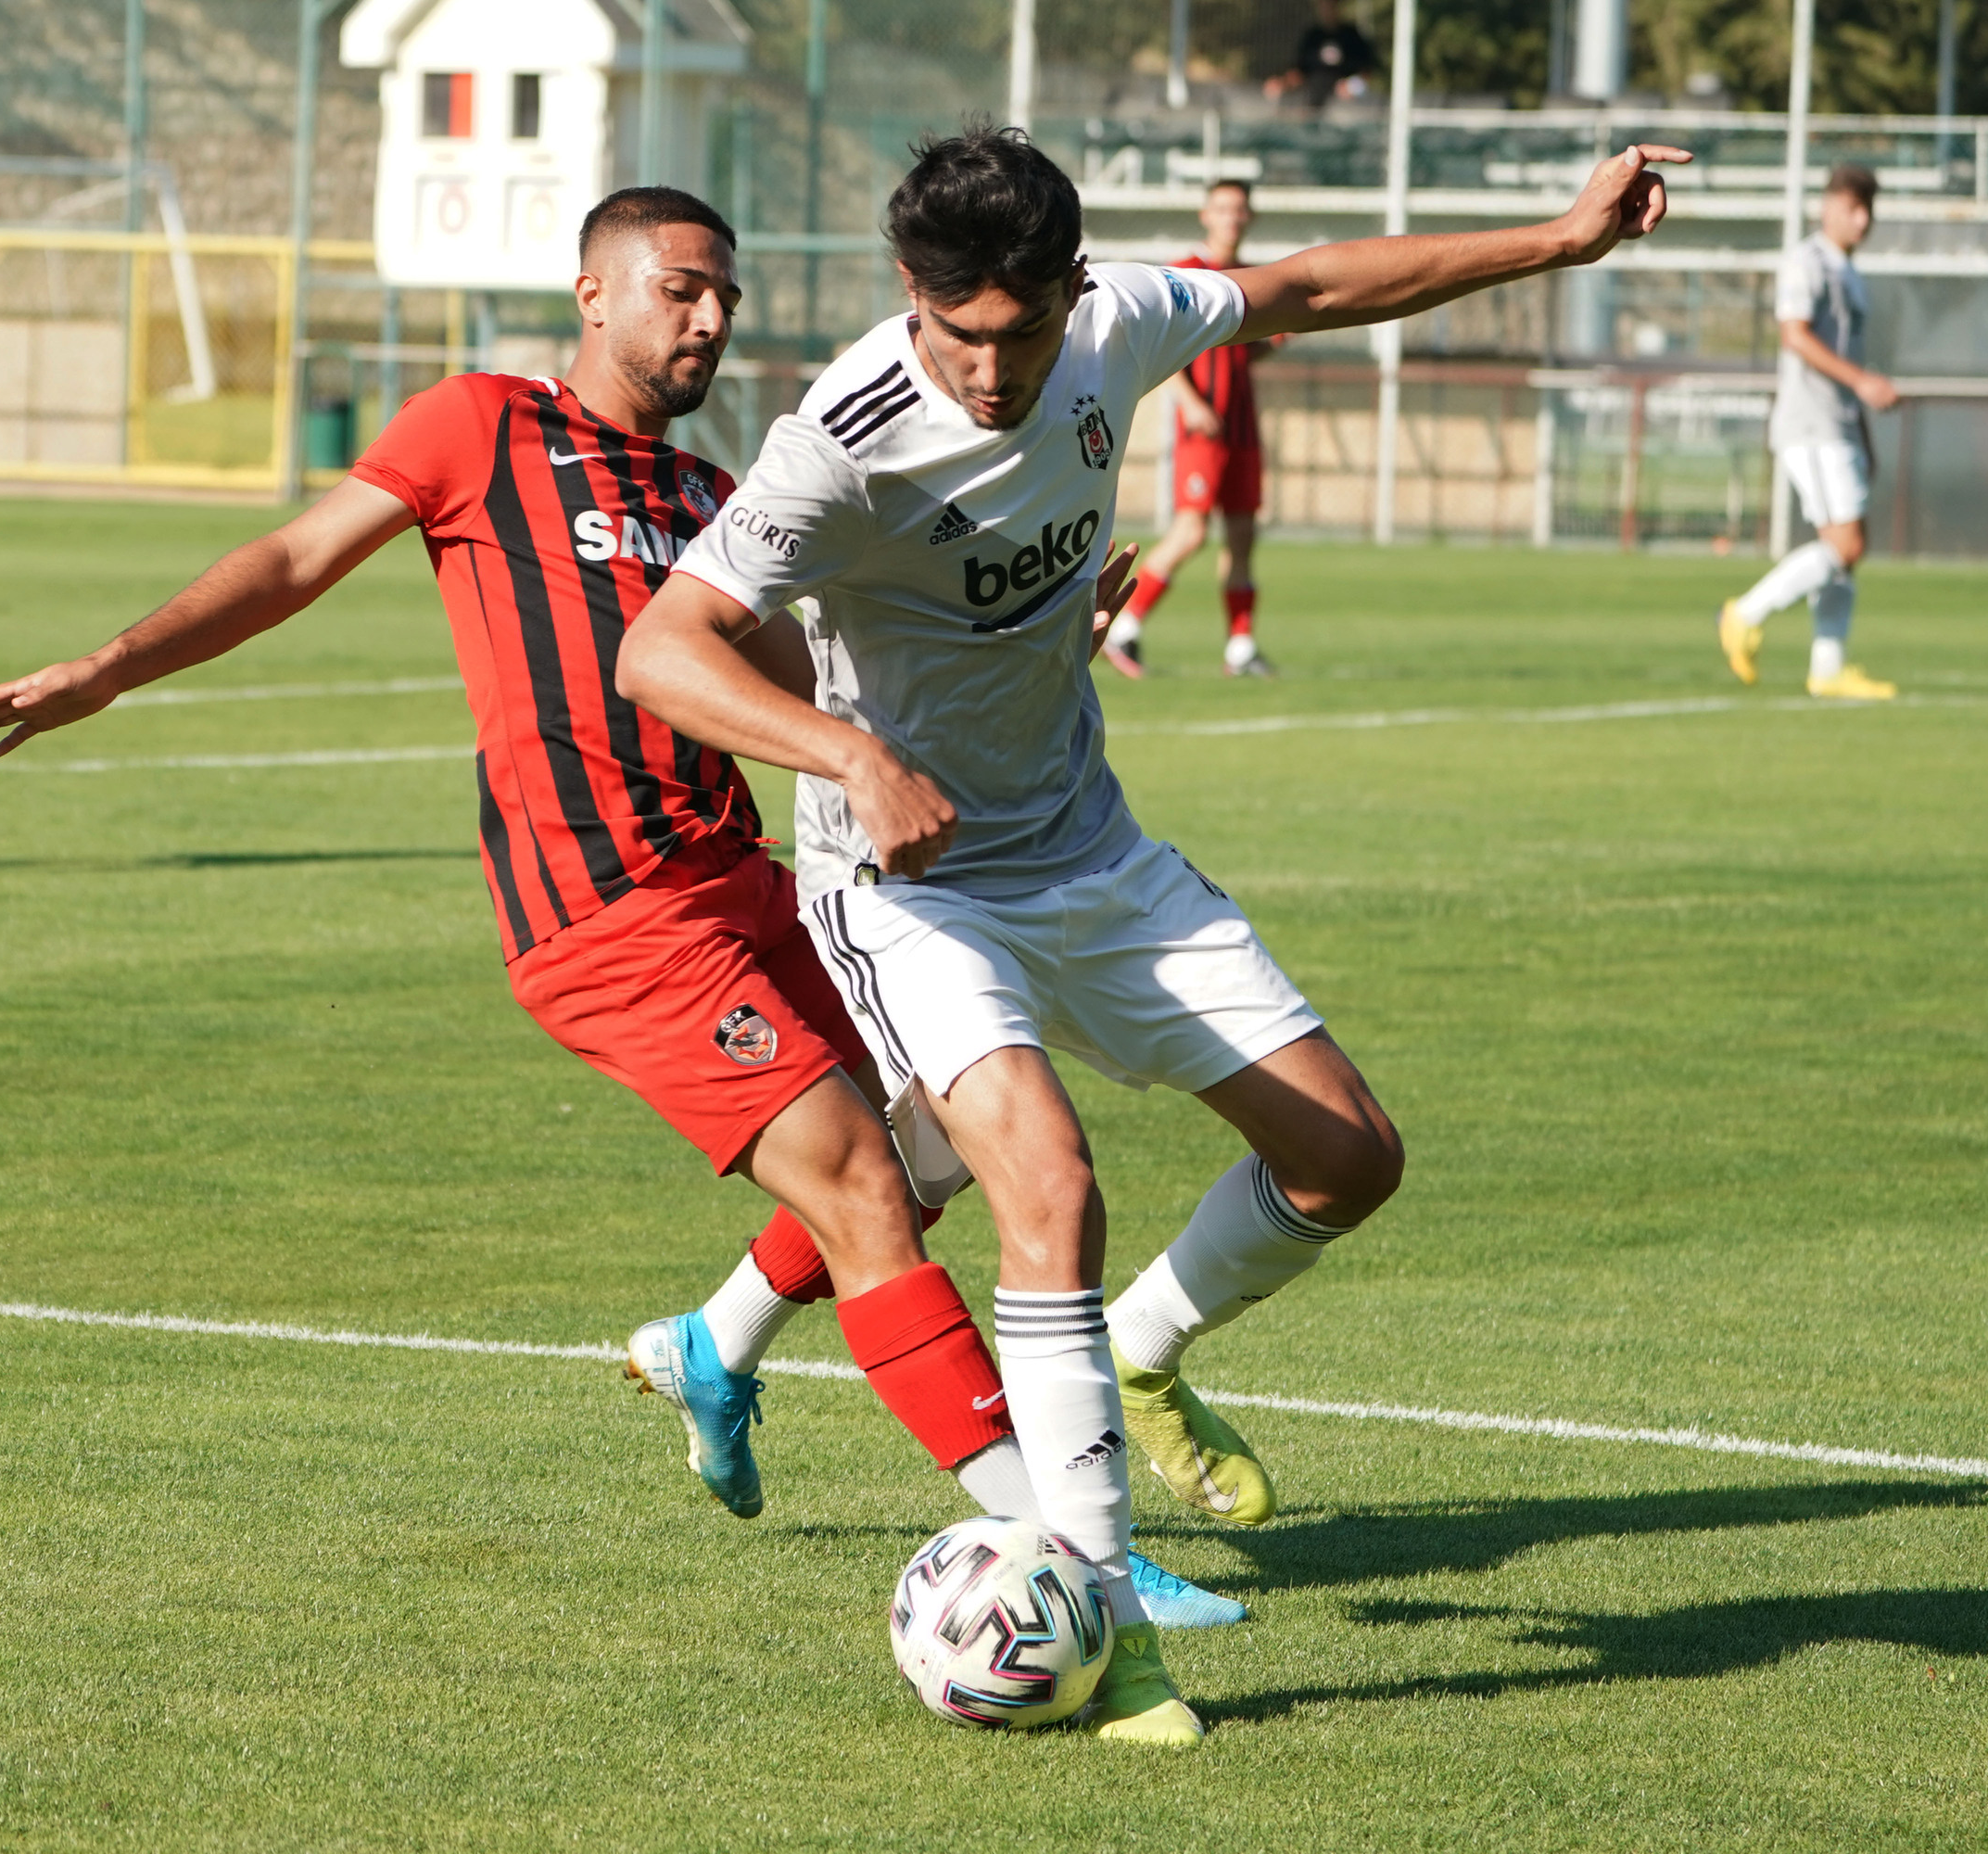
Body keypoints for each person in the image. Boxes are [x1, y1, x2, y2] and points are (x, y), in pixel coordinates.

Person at [0, 187, 1241, 1645]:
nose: (708, 320)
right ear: (595, 293)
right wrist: (111, 668)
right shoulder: (479, 425)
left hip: (751, 881)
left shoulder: (712, 505)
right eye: (682, 288)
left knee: (939, 1132)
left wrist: (1036, 631)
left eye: (725, 300)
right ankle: (1067, 1559)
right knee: (868, 1194)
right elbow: (297, 561)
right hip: (611, 914)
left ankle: (717, 1343)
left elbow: (813, 696)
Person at [617, 127, 1690, 1746]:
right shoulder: (839, 439)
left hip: (1092, 848)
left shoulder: (1119, 319)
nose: (992, 370)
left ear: (1070, 295)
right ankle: (1116, 1624)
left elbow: (1309, 285)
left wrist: (1559, 240)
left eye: (1022, 333)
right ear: (912, 296)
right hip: (911, 887)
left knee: (1351, 1159)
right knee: (1044, 1179)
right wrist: (850, 753)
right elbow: (660, 650)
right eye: (959, 332)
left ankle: (1133, 1354)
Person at [1717, 165, 1897, 702]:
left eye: (1869, 209)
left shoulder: (1849, 272)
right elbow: (1795, 336)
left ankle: (1828, 668)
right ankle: (1743, 614)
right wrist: (1863, 384)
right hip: (1810, 423)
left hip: (1839, 425)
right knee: (1846, 543)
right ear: (1828, 207)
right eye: (1853, 208)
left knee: (1845, 549)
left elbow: (1846, 356)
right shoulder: (1806, 261)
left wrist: (1863, 432)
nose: (1863, 220)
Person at [1103, 179, 1280, 680]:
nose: (1231, 217)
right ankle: (1126, 627)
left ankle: (1241, 647)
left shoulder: (1253, 276)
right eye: (1222, 208)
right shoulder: (1185, 274)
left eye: (1240, 209)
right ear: (1206, 214)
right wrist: (1189, 400)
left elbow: (1248, 348)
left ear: (1250, 217)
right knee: (1192, 530)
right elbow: (1165, 343)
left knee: (1243, 535)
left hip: (1242, 425)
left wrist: (1276, 338)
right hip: (1203, 426)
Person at [1264, 0, 1383, 106]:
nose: (1327, 10)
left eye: (1331, 5)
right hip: (1313, 97)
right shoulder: (1312, 37)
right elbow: (1299, 71)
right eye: (1324, 5)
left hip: (1346, 102)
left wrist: (1351, 86)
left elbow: (1367, 71)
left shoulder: (1352, 36)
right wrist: (1282, 83)